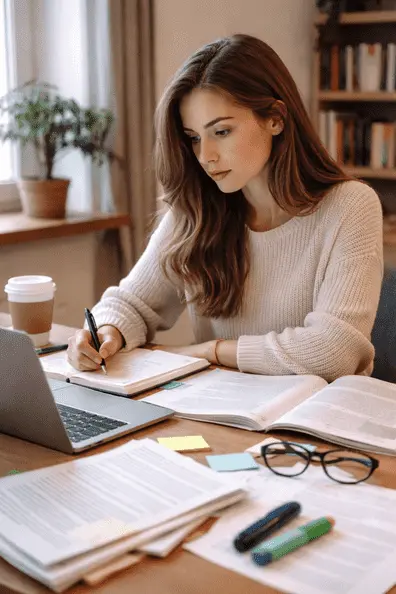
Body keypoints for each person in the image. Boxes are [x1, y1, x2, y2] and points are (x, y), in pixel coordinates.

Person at [67, 33, 383, 382]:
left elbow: (333, 352)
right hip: (224, 414)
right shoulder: (197, 208)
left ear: (275, 118)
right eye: (194, 138)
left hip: (319, 422)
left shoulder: (351, 206)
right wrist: (106, 331)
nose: (206, 157)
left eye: (221, 132)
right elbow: (131, 303)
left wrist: (211, 350)